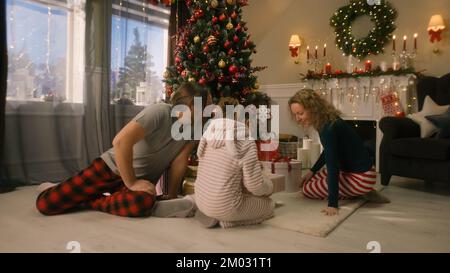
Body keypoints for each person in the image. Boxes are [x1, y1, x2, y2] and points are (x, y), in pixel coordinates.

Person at [36, 83, 211, 218]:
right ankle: (67, 192)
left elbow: (179, 162)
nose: (209, 111)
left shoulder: (195, 130)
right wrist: (131, 182)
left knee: (143, 202)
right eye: (206, 105)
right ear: (190, 105)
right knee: (46, 205)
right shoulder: (160, 112)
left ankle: (89, 202)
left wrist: (172, 195)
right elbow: (120, 142)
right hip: (111, 168)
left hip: (140, 182)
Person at [288, 89, 389, 217]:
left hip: (362, 177)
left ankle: (359, 191)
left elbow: (332, 166)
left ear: (313, 108)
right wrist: (312, 171)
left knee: (307, 189)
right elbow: (329, 152)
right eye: (295, 114)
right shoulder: (327, 120)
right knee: (311, 179)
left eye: (300, 113)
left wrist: (332, 204)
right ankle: (357, 190)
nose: (297, 119)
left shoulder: (327, 128)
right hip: (355, 171)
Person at [194, 96, 276, 228]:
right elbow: (255, 186)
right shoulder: (244, 140)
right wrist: (270, 187)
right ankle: (228, 221)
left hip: (200, 200)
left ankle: (215, 214)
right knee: (269, 205)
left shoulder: (207, 135)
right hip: (226, 207)